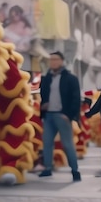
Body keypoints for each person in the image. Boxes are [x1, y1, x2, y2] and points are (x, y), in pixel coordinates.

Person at [38, 51, 82, 181]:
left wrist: (69, 115)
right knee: (47, 142)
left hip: (62, 115)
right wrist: (44, 106)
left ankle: (75, 170)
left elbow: (76, 99)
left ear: (62, 61)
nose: (53, 62)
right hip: (49, 115)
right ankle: (47, 168)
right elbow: (43, 95)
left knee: (67, 144)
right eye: (51, 60)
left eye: (56, 59)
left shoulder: (70, 78)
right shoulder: (46, 78)